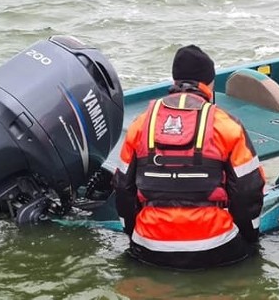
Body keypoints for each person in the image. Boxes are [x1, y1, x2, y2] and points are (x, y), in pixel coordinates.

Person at [112, 45, 265, 270]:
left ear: (174, 80)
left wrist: (132, 232)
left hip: (149, 247)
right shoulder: (226, 124)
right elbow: (248, 190)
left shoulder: (140, 123)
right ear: (209, 85)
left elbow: (122, 187)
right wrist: (251, 237)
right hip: (216, 247)